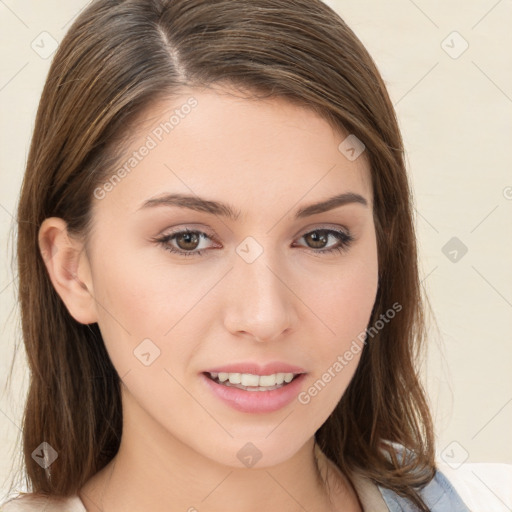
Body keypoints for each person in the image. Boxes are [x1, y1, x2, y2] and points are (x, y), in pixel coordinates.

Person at [0, 0, 473, 510]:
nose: (265, 317)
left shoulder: (439, 496)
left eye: (320, 237)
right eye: (188, 240)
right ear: (73, 271)